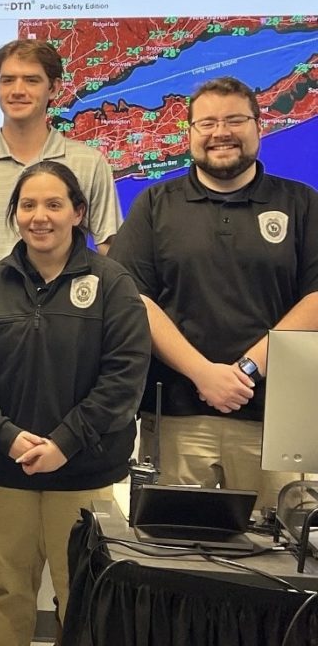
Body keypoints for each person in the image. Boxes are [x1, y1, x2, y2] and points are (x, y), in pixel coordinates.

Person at [0, 39, 123, 646]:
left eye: (31, 79)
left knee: (80, 548)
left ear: (52, 89)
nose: (18, 89)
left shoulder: (88, 162)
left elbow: (108, 264)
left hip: (71, 361)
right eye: (7, 79)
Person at [0, 161, 150, 646]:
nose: (41, 216)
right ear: (15, 214)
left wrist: (64, 442)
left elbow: (123, 379)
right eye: (28, 205)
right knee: (7, 591)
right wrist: (8, 437)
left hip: (84, 474)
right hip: (3, 473)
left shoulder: (114, 284)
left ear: (78, 212)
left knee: (82, 598)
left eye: (54, 204)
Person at [109, 76, 318, 510]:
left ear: (259, 127)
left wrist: (244, 371)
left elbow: (316, 298)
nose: (220, 132)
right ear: (189, 134)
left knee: (281, 561)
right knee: (177, 558)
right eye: (206, 123)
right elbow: (134, 300)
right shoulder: (153, 204)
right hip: (177, 418)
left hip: (275, 423)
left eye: (234, 120)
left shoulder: (302, 204)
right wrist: (203, 373)